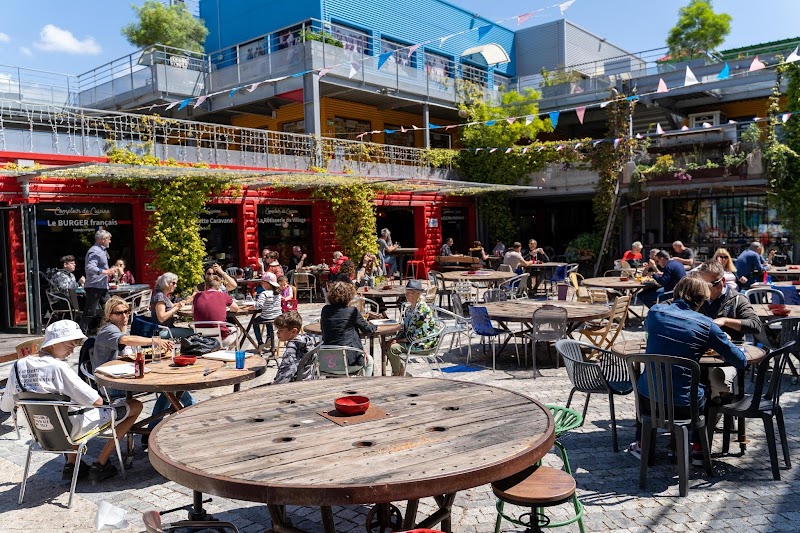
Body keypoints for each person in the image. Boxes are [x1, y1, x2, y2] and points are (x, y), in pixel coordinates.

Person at [1, 320, 143, 483]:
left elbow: (6, 407)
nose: (73, 348)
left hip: (42, 432)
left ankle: (72, 464)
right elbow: (96, 400)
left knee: (69, 410)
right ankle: (100, 464)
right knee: (135, 405)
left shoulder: (18, 366)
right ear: (55, 342)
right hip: (71, 429)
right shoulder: (58, 367)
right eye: (70, 343)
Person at [630, 277, 746, 463]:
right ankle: (699, 449)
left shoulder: (655, 312)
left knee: (648, 381)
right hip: (684, 407)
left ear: (676, 292)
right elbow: (740, 361)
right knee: (709, 392)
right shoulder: (707, 325)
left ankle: (643, 446)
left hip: (648, 401)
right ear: (701, 300)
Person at [693, 261, 763, 399]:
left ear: (723, 281)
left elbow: (755, 325)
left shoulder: (737, 299)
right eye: (703, 284)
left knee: (720, 384)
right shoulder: (696, 298)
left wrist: (725, 321)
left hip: (727, 359)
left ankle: (718, 415)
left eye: (711, 285)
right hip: (698, 357)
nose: (706, 289)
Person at [320, 282, 377, 375]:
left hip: (327, 362)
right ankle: (364, 387)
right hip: (348, 363)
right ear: (349, 296)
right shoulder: (352, 311)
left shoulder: (325, 310)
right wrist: (374, 325)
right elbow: (367, 330)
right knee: (369, 361)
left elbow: (323, 328)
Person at [387, 279, 438, 376]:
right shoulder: (408, 309)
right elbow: (405, 329)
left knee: (393, 348)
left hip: (424, 343)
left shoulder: (422, 310)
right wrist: (395, 338)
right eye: (406, 292)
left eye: (410, 293)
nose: (406, 295)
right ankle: (402, 373)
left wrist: (399, 341)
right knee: (387, 344)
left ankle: (397, 374)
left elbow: (419, 336)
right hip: (412, 341)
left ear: (418, 294)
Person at [79, 230, 121, 334]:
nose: (110, 241)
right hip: (95, 286)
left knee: (110, 309)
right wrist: (106, 271)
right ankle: (81, 334)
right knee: (90, 311)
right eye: (108, 239)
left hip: (102, 286)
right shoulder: (95, 251)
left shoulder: (101, 251)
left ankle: (109, 331)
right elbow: (90, 267)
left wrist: (109, 271)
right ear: (102, 240)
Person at [193, 276, 239, 347]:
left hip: (201, 337)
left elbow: (193, 311)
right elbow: (236, 308)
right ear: (219, 286)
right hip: (221, 338)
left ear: (206, 285)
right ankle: (226, 352)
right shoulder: (223, 295)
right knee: (238, 329)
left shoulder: (197, 296)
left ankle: (218, 350)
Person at [272, 311, 316, 384]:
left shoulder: (291, 349)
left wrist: (273, 386)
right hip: (308, 379)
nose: (277, 333)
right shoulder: (306, 339)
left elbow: (285, 375)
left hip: (294, 385)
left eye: (281, 330)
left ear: (294, 331)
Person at [150, 272, 194, 338]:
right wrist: (176, 308)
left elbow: (169, 306)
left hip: (167, 328)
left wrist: (184, 302)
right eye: (173, 283)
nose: (175, 286)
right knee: (192, 332)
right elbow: (161, 318)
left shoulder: (162, 295)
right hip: (162, 331)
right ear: (166, 283)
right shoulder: (160, 297)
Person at [253, 272, 282, 351]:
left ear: (267, 283)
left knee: (255, 322)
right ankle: (269, 337)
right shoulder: (278, 293)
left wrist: (252, 306)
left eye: (262, 282)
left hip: (267, 316)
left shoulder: (264, 293)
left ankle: (260, 342)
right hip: (277, 316)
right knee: (269, 321)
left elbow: (259, 305)